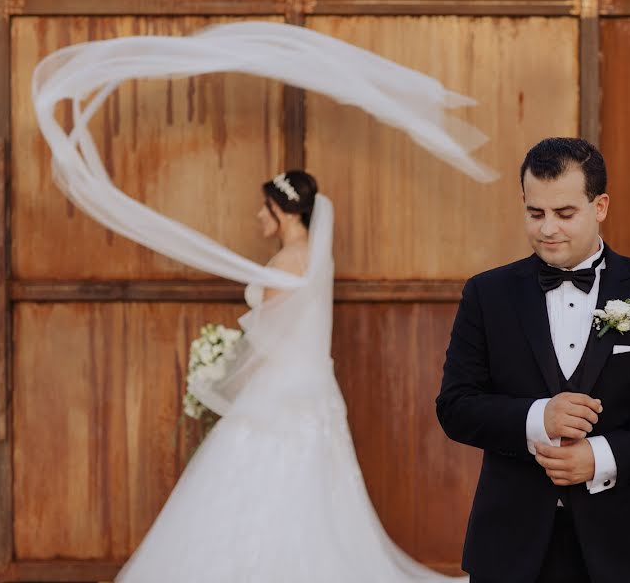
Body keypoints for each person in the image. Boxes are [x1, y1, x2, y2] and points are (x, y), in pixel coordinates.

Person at [116, 170, 467, 583]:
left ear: (281, 212)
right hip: (314, 389)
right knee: (313, 494)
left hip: (277, 390)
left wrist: (225, 377)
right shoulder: (317, 258)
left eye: (264, 209)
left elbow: (267, 343)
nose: (257, 216)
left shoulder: (284, 261)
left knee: (255, 487)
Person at [436, 138, 630, 582]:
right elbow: (455, 406)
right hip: (512, 546)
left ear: (600, 206)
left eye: (565, 214)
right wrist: (537, 418)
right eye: (535, 213)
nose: (548, 229)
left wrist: (601, 456)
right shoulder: (486, 294)